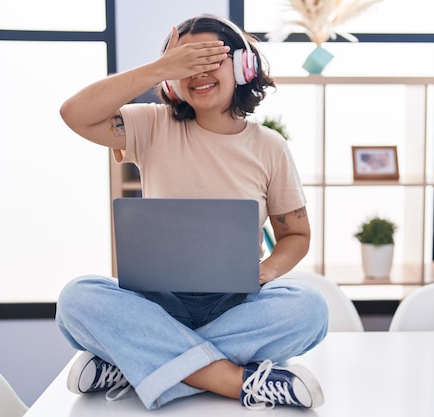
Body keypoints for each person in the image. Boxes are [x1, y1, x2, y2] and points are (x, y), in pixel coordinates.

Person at [56, 14, 329, 411]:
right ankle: (236, 381)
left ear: (242, 66)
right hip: (155, 302)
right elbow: (74, 113)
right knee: (76, 300)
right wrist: (159, 67)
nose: (197, 72)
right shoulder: (151, 125)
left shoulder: (270, 146)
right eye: (185, 63)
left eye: (209, 59)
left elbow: (296, 236)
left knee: (310, 309)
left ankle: (137, 363)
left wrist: (267, 270)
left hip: (235, 302)